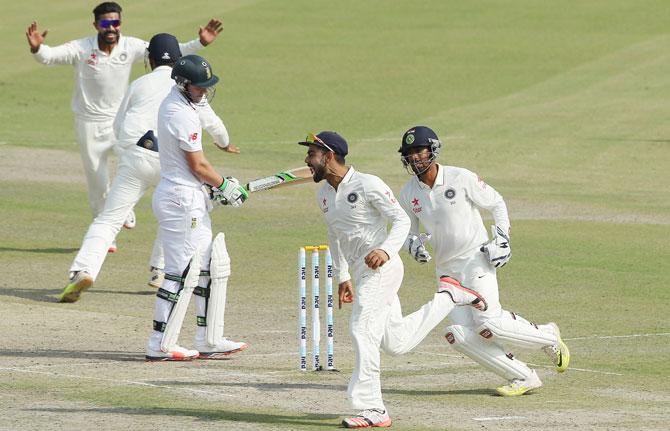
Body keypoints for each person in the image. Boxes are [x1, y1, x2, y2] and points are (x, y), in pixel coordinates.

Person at [300, 131, 487, 428]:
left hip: (382, 269)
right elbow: (335, 235)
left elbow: (400, 220)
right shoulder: (323, 194)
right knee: (396, 343)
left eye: (311, 154)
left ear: (329, 155)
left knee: (362, 329)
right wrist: (343, 275)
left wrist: (386, 251)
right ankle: (449, 296)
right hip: (361, 273)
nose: (307, 160)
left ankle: (372, 408)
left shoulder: (367, 184)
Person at [57, 34, 240, 303]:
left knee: (108, 220)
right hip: (170, 161)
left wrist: (127, 151)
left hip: (135, 154)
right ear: (178, 58)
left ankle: (83, 270)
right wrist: (224, 144)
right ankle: (160, 269)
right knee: (174, 210)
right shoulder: (187, 90)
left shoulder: (139, 83)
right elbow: (213, 123)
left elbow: (118, 126)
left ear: (149, 60)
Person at [26, 2, 223, 244]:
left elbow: (169, 53)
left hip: (121, 120)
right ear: (96, 24)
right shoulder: (82, 48)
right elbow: (50, 56)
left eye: (115, 22)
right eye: (106, 23)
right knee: (97, 182)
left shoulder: (130, 46)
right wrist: (38, 49)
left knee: (131, 167)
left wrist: (199, 42)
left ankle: (123, 207)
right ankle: (107, 237)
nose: (111, 28)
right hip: (89, 124)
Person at [397, 125, 570, 397]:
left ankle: (548, 336)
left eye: (419, 151)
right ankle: (523, 377)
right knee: (459, 334)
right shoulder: (408, 193)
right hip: (447, 272)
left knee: (488, 324)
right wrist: (413, 244)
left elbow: (497, 203)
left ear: (432, 150)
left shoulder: (460, 177)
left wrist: (502, 239)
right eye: (410, 154)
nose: (415, 158)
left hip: (476, 261)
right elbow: (407, 229)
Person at [145, 54, 248, 361]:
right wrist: (224, 185)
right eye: (199, 87)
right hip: (180, 201)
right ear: (183, 83)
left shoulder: (187, 104)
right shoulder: (179, 112)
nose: (204, 91)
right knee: (180, 273)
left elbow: (199, 164)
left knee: (208, 269)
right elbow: (198, 164)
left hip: (188, 196)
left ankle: (208, 338)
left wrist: (214, 186)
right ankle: (159, 343)